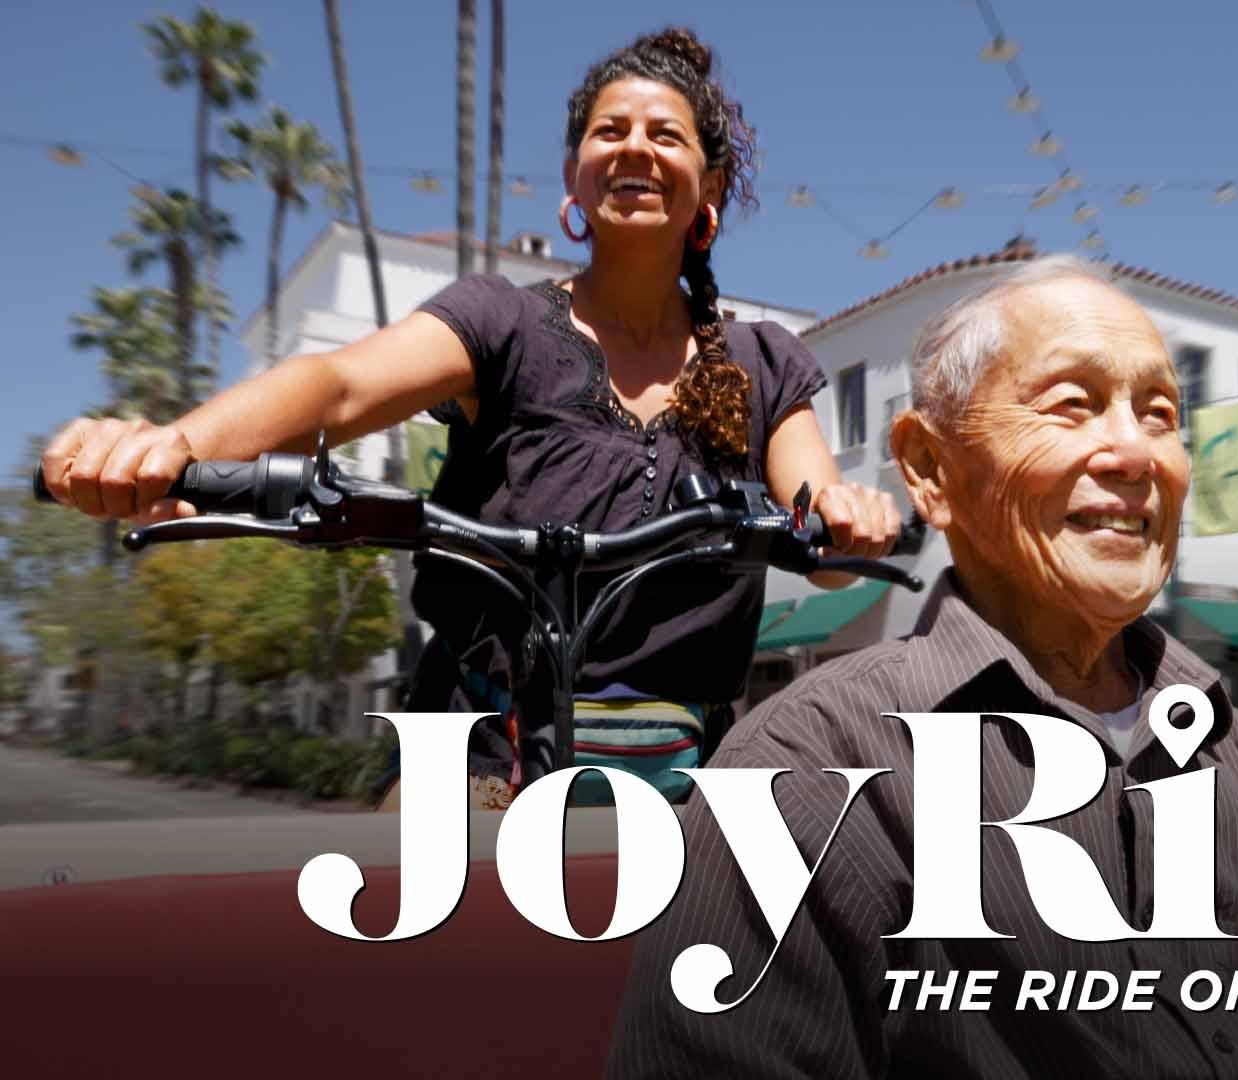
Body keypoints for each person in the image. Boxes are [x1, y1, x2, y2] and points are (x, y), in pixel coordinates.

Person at [605, 256, 1238, 1077]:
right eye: (1071, 404)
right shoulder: (807, 771)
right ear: (929, 469)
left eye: (1161, 415)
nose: (1138, 456)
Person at [37, 27, 900, 807]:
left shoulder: (760, 360)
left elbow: (817, 522)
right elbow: (336, 387)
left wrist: (847, 519)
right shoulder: (503, 321)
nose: (634, 146)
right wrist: (172, 444)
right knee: (423, 968)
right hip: (479, 764)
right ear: (573, 175)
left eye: (663, 134)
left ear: (709, 183)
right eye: (610, 130)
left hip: (688, 779)